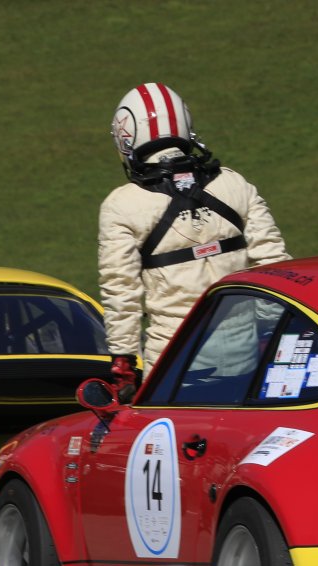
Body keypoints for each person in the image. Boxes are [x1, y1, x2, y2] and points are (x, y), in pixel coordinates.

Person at [98, 83, 289, 377]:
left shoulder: (121, 204)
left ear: (126, 137)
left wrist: (123, 358)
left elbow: (121, 291)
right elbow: (273, 265)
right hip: (246, 358)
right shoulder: (234, 184)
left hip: (173, 363)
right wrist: (268, 334)